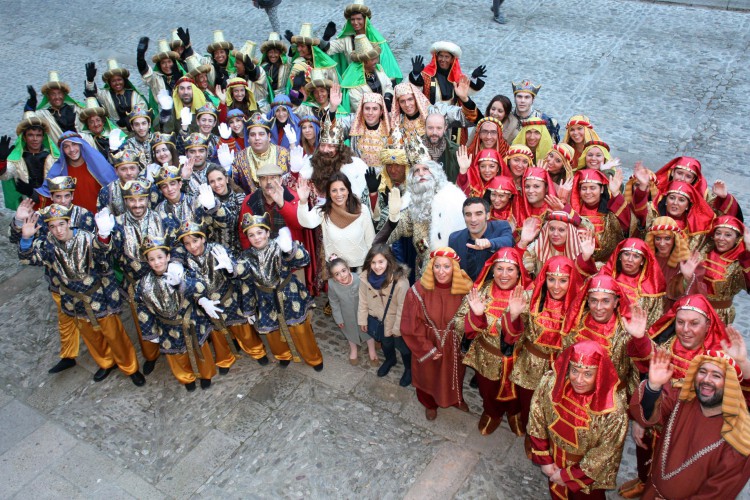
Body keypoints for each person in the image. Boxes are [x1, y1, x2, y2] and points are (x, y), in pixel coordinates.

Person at [622, 294, 737, 497]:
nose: (685, 330)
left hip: (687, 432)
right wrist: (640, 339)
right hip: (656, 419)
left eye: (694, 323)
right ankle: (644, 481)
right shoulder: (668, 345)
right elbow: (647, 364)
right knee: (646, 451)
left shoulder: (717, 358)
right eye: (681, 322)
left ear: (708, 323)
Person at [19, 204, 145, 386]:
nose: (58, 230)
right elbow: (28, 258)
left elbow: (104, 251)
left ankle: (130, 367)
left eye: (61, 224)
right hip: (73, 300)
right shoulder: (47, 244)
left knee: (114, 335)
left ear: (69, 222)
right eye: (53, 227)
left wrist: (103, 234)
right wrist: (25, 238)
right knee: (91, 336)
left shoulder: (86, 239)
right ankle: (106, 362)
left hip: (99, 297)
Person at [631, 347, 750, 499]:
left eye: (716, 375)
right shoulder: (681, 399)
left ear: (730, 385)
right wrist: (653, 387)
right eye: (702, 372)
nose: (706, 380)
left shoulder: (739, 438)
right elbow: (646, 416)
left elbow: (717, 494)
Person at [95, 178, 180, 375]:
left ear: (148, 199)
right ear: (126, 201)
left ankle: (178, 354)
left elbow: (176, 244)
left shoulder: (163, 218)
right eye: (132, 200)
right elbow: (105, 256)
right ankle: (151, 356)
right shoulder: (116, 224)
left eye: (141, 199)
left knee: (172, 318)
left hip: (165, 280)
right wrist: (103, 237)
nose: (137, 204)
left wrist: (175, 263)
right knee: (144, 322)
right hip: (136, 285)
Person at [9, 177, 95, 374]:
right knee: (65, 318)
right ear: (51, 197)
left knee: (90, 322)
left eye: (66, 196)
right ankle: (68, 355)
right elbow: (16, 239)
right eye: (58, 196)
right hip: (58, 281)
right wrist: (20, 221)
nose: (63, 200)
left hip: (85, 282)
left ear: (72, 195)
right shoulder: (40, 217)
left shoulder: (85, 216)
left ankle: (106, 358)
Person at [528, 341, 629, 499]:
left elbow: (605, 451)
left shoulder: (613, 410)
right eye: (575, 371)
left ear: (600, 374)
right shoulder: (550, 383)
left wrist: (569, 476)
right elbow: (537, 416)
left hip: (587, 476)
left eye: (588, 374)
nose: (579, 380)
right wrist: (545, 459)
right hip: (554, 461)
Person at [171, 220, 270, 371]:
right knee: (217, 334)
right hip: (207, 304)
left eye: (195, 241)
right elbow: (187, 285)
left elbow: (237, 269)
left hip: (229, 298)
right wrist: (201, 300)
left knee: (243, 329)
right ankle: (225, 359)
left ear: (203, 238)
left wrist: (231, 268)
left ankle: (257, 351)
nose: (193, 246)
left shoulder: (217, 250)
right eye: (187, 243)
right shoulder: (185, 260)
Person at [235, 215, 324, 370]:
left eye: (259, 233)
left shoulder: (279, 246)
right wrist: (248, 310)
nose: (256, 238)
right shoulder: (246, 256)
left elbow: (304, 261)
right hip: (265, 300)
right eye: (251, 235)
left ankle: (313, 357)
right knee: (273, 332)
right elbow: (247, 284)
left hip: (288, 294)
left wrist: (290, 249)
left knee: (300, 329)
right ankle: (283, 354)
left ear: (268, 233)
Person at [511, 256, 588, 434]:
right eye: (551, 279)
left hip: (560, 370)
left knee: (552, 409)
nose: (556, 286)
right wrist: (513, 316)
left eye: (563, 280)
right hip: (530, 363)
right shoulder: (532, 297)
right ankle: (528, 435)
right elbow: (514, 332)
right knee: (527, 402)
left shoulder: (580, 306)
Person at [459, 247, 531, 435]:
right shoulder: (480, 290)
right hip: (486, 355)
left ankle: (514, 413)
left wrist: (514, 317)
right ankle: (492, 413)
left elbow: (532, 331)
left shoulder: (528, 295)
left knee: (516, 392)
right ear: (492, 269)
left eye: (510, 270)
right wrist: (476, 316)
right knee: (487, 389)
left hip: (517, 359)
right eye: (500, 269)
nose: (504, 275)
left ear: (518, 272)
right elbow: (459, 322)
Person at [400, 248, 474, 420]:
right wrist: (427, 348)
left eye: (446, 267)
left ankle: (455, 399)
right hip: (427, 340)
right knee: (428, 374)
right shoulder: (418, 290)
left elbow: (472, 320)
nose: (441, 272)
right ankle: (429, 404)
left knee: (454, 373)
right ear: (431, 267)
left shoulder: (465, 289)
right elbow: (410, 325)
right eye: (437, 266)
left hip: (453, 343)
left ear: (454, 268)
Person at [135, 235, 216, 391]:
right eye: (152, 259)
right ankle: (186, 378)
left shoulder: (181, 272)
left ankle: (206, 374)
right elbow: (142, 308)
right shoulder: (143, 284)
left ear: (168, 257)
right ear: (148, 262)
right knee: (176, 356)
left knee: (200, 350)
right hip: (167, 326)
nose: (157, 262)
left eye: (160, 257)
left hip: (190, 320)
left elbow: (200, 286)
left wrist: (181, 284)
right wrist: (150, 332)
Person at [379, 158, 467, 276]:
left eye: (425, 169)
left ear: (436, 172)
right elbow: (392, 234)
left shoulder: (453, 198)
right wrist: (393, 218)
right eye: (416, 170)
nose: (420, 173)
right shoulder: (412, 204)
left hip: (450, 269)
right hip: (423, 272)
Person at [564, 274, 641, 395]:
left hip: (612, 398)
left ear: (616, 302)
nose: (599, 307)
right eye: (594, 300)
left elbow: (639, 368)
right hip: (578, 397)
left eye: (605, 301)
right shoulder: (576, 323)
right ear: (588, 301)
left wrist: (640, 339)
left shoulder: (627, 330)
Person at [297, 172, 375, 270]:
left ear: (348, 190)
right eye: (334, 190)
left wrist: (372, 266)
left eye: (342, 189)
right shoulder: (323, 211)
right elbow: (306, 222)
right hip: (335, 272)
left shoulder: (362, 210)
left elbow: (371, 241)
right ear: (329, 193)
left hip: (361, 269)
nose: (339, 194)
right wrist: (303, 201)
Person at [358, 245, 411, 384]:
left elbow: (403, 307)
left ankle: (409, 369)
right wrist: (363, 320)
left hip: (395, 322)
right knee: (386, 344)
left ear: (389, 261)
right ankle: (390, 360)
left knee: (403, 347)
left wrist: (397, 329)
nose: (377, 266)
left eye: (381, 262)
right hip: (379, 320)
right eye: (373, 262)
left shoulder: (400, 281)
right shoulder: (365, 278)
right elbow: (363, 300)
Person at [321, 0, 402, 82]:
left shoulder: (377, 41)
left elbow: (387, 65)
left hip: (376, 80)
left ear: (365, 20)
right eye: (353, 19)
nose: (355, 22)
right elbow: (326, 49)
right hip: (354, 82)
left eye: (359, 19)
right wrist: (326, 38)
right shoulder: (346, 40)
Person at [37, 131, 117, 214]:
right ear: (62, 150)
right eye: (66, 146)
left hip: (102, 217)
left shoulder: (98, 163)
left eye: (74, 144)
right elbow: (46, 194)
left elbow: (114, 185)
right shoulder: (58, 170)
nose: (71, 149)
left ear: (80, 144)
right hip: (74, 219)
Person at [599, 238, 667, 329]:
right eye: (626, 254)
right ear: (620, 257)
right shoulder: (605, 276)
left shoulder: (650, 290)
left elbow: (652, 321)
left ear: (643, 261)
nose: (630, 260)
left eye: (636, 256)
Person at [569, 168, 630, 265]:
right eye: (584, 188)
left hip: (607, 267)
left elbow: (627, 224)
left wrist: (615, 193)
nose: (588, 192)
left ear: (601, 189)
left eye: (593, 188)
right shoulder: (573, 211)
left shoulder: (610, 212)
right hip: (578, 264)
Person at [644, 216, 706, 310]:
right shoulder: (645, 259)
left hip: (672, 314)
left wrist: (688, 277)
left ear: (675, 239)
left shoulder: (687, 261)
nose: (662, 243)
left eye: (667, 238)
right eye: (658, 238)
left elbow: (700, 296)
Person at [0, 112, 59, 210]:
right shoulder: (17, 161)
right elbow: (4, 175)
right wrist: (2, 160)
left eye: (38, 135)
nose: (35, 139)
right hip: (27, 207)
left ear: (43, 137)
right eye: (30, 135)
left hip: (52, 205)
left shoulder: (53, 159)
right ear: (24, 137)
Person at [698, 215, 750, 324]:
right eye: (718, 233)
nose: (721, 238)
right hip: (694, 308)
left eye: (728, 235)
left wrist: (748, 248)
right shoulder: (703, 249)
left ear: (737, 239)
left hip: (719, 315)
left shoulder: (739, 263)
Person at [447, 197, 514, 281]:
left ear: (488, 215)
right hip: (466, 290)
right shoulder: (455, 238)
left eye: (478, 214)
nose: (473, 219)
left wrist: (489, 243)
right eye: (468, 214)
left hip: (494, 290)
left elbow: (508, 240)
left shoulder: (500, 227)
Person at [327, 255, 377, 366]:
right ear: (333, 277)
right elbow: (334, 302)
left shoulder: (359, 279)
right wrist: (338, 318)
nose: (342, 275)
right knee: (349, 332)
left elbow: (368, 297)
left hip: (363, 313)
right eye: (337, 274)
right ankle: (353, 349)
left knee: (367, 331)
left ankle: (372, 349)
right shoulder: (332, 285)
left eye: (343, 271)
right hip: (346, 315)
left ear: (349, 269)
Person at [231, 113, 290, 193]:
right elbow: (234, 186)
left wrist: (296, 171)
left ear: (269, 136)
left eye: (261, 134)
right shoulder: (239, 158)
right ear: (248, 138)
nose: (257, 138)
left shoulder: (283, 153)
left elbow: (291, 183)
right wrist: (227, 170)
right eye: (253, 135)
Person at [84, 59, 147, 132]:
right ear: (109, 83)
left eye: (119, 80)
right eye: (113, 81)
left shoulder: (134, 94)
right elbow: (92, 91)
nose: (117, 83)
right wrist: (90, 80)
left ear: (124, 80)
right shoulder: (105, 95)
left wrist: (130, 117)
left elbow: (142, 108)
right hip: (116, 131)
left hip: (137, 129)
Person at [339, 35, 393, 114]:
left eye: (376, 57)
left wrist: (387, 97)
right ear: (363, 62)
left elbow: (388, 85)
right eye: (372, 59)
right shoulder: (354, 82)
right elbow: (359, 107)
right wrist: (380, 111)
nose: (376, 61)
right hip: (368, 117)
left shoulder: (379, 68)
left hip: (385, 111)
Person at [26, 71, 85, 144]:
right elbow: (28, 123)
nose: (57, 97)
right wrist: (30, 107)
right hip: (59, 153)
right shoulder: (43, 115)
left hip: (80, 147)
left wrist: (90, 85)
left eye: (59, 93)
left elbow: (93, 115)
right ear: (48, 97)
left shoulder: (76, 109)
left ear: (64, 95)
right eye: (53, 94)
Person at [505, 79, 559, 144]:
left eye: (527, 97)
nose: (522, 100)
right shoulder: (506, 116)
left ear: (533, 100)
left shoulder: (544, 120)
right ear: (514, 98)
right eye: (519, 97)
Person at [97, 149, 140, 216]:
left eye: (132, 168)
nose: (129, 173)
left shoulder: (149, 187)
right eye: (123, 169)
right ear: (116, 171)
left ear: (138, 169)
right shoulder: (106, 192)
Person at [422, 113, 460, 183]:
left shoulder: (456, 151)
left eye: (439, 128)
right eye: (430, 128)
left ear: (445, 128)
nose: (434, 132)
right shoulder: (414, 147)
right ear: (425, 127)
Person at [259, 32, 292, 101]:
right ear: (267, 53)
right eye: (270, 52)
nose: (273, 55)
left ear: (280, 53)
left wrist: (293, 44)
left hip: (283, 97)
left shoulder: (286, 66)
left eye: (276, 52)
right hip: (266, 98)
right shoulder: (262, 67)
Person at [122, 105, 155, 170]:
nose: (141, 128)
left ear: (149, 124)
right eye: (137, 124)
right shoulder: (127, 145)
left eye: (144, 123)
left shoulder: (157, 140)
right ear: (132, 127)